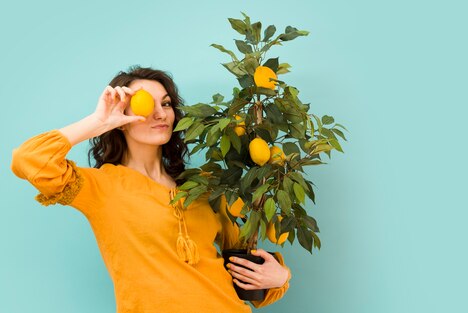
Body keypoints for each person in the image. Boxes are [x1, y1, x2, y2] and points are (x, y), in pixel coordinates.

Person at [10, 66, 291, 312]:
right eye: (146, 104)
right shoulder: (102, 186)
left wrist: (280, 277)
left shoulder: (205, 185)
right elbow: (29, 159)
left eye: (166, 104)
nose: (160, 114)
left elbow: (247, 268)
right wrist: (97, 123)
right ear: (120, 116)